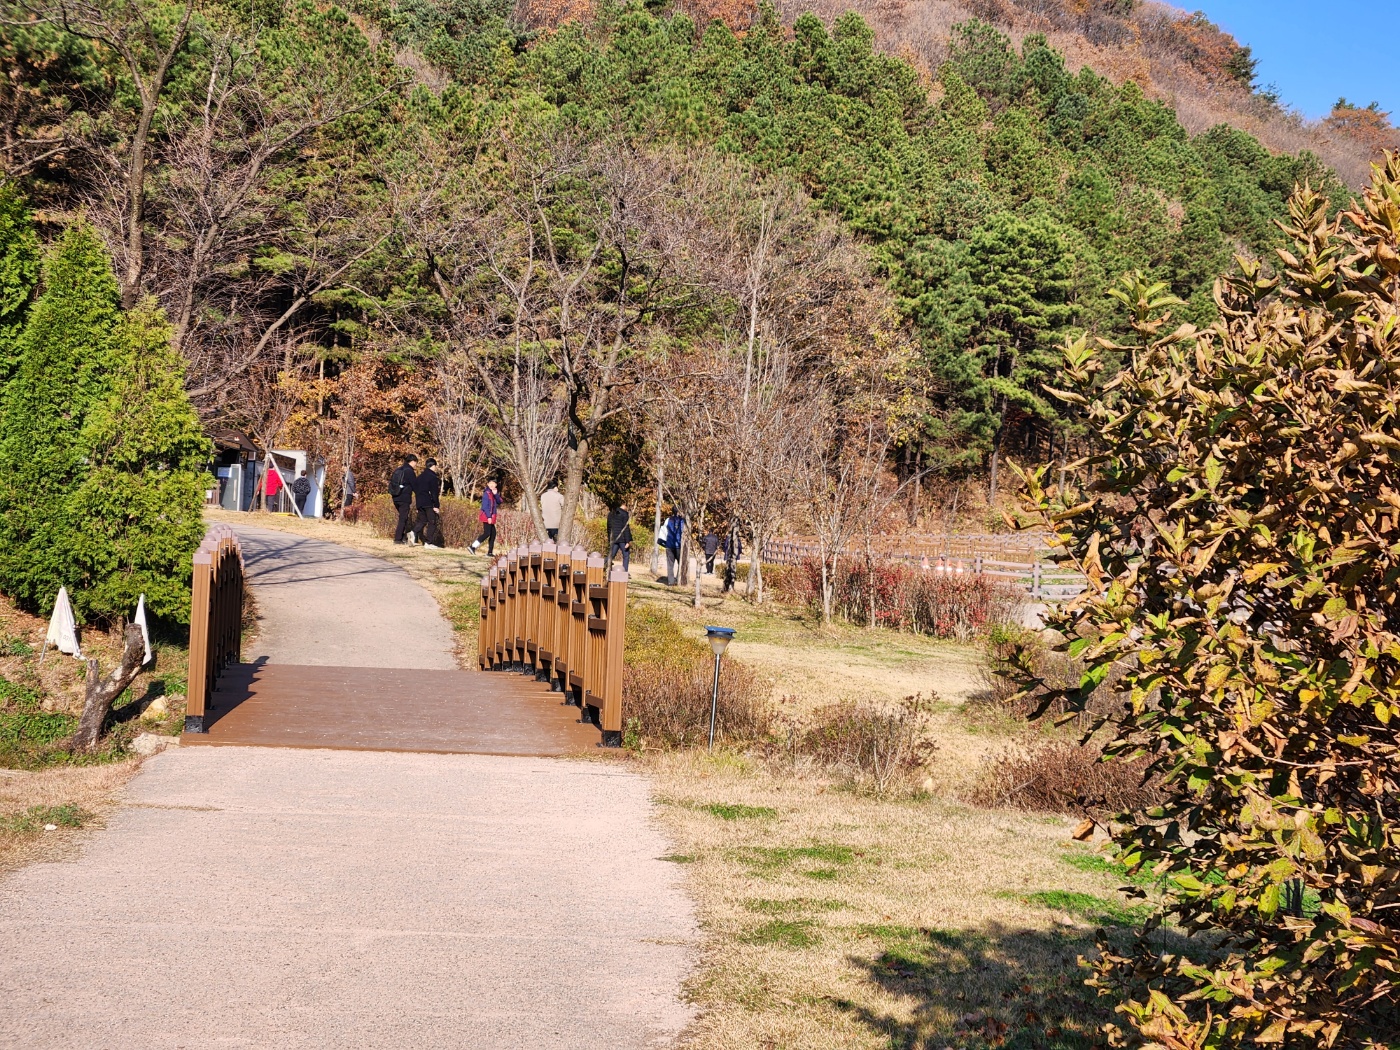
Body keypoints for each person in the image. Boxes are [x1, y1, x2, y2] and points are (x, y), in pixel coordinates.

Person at [414, 458, 443, 549]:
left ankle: (412, 532)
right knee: (432, 521)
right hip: (429, 502)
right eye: (435, 466)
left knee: (422, 520)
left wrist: (417, 505)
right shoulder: (432, 477)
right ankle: (428, 542)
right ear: (433, 466)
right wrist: (436, 505)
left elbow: (416, 491)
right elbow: (434, 493)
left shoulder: (419, 477)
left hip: (420, 502)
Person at [389, 454, 418, 545]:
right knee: (403, 518)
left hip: (395, 496)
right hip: (404, 497)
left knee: (403, 517)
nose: (416, 465)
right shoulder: (409, 471)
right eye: (416, 463)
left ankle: (402, 537)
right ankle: (398, 539)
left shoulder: (398, 469)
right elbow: (415, 486)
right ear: (412, 461)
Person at [471, 480, 501, 555]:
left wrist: (496, 494)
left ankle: (490, 552)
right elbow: (485, 507)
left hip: (492, 516)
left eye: (493, 483)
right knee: (487, 533)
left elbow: (499, 501)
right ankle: (472, 547)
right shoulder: (486, 493)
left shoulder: (493, 493)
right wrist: (489, 517)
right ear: (487, 484)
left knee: (493, 533)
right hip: (487, 516)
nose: (492, 485)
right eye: (490, 483)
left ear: (496, 485)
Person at [660, 506, 685, 586]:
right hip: (679, 545)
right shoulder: (683, 521)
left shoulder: (668, 520)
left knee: (670, 564)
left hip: (669, 544)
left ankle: (670, 581)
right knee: (680, 563)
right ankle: (678, 580)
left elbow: (664, 531)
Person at [607, 502, 632, 572]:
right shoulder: (624, 514)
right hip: (623, 539)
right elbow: (626, 528)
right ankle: (625, 571)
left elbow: (608, 527)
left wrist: (609, 539)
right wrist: (628, 541)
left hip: (614, 538)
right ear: (623, 506)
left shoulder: (610, 513)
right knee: (626, 555)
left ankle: (602, 565)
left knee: (611, 555)